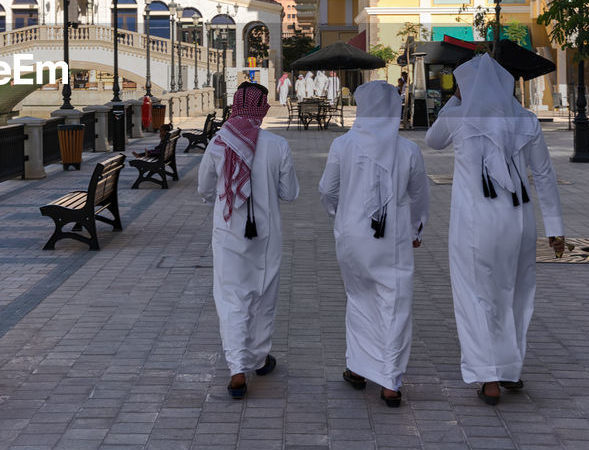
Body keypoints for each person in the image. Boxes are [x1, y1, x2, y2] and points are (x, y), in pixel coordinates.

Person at [425, 54, 566, 406]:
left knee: (476, 297)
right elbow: (545, 175)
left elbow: (432, 140)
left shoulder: (458, 118)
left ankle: (489, 376)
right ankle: (510, 369)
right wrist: (556, 227)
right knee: (515, 295)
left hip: (475, 222)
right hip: (518, 222)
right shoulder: (526, 120)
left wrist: (456, 98)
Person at [319, 81, 429, 407]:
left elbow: (327, 189)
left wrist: (340, 215)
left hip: (352, 236)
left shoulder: (342, 144)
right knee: (393, 305)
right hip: (392, 239)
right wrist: (415, 230)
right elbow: (420, 196)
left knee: (359, 298)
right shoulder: (408, 149)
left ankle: (358, 368)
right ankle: (390, 381)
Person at [198, 82, 299, 400]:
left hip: (228, 234)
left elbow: (204, 189)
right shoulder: (277, 144)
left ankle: (238, 368)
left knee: (231, 299)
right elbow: (290, 193)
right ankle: (257, 357)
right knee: (262, 296)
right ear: (262, 108)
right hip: (266, 236)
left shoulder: (218, 143)